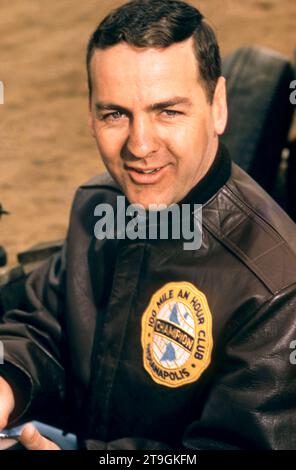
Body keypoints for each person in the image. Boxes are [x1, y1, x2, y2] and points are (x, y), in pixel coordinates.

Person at [1, 0, 296, 450]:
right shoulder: (98, 206)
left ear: (218, 106)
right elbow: (46, 324)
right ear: (91, 114)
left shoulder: (278, 289)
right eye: (115, 114)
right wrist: (8, 381)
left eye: (168, 112)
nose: (139, 146)